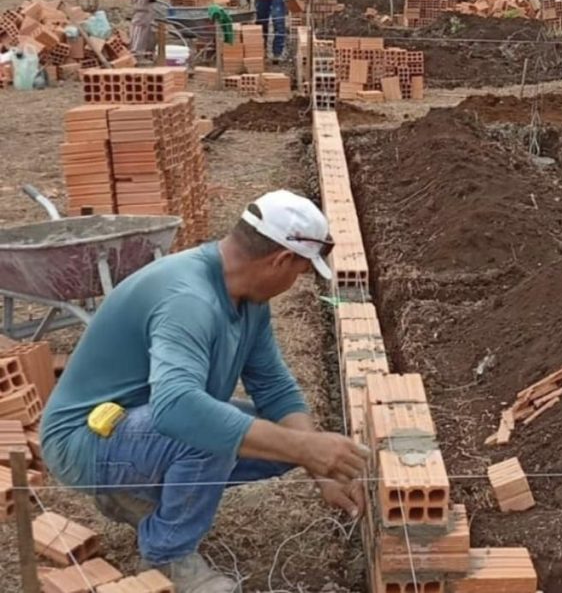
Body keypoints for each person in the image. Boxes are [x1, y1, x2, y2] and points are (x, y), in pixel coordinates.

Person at [41, 190, 370, 593]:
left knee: (277, 436)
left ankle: (132, 493)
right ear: (281, 260)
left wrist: (316, 460)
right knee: (208, 429)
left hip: (134, 427)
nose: (294, 282)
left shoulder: (248, 299)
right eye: (300, 272)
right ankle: (167, 559)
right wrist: (302, 449)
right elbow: (179, 411)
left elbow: (274, 386)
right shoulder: (189, 299)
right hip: (84, 439)